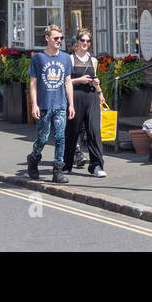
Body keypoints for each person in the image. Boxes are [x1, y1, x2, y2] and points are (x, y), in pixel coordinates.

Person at [26, 24, 74, 183]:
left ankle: (58, 171)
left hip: (60, 105)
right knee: (43, 138)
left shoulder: (66, 58)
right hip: (44, 105)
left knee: (61, 137)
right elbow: (33, 83)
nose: (59, 41)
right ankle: (33, 159)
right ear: (47, 38)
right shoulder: (38, 59)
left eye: (61, 38)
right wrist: (34, 105)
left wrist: (71, 104)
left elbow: (68, 82)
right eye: (56, 38)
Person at [61, 28, 107, 178]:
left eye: (88, 41)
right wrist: (79, 80)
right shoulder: (70, 59)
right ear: (77, 41)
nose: (85, 43)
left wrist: (99, 90)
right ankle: (66, 164)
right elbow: (65, 82)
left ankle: (96, 165)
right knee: (73, 131)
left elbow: (95, 78)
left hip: (91, 96)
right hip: (75, 96)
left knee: (94, 131)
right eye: (83, 40)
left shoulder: (93, 60)